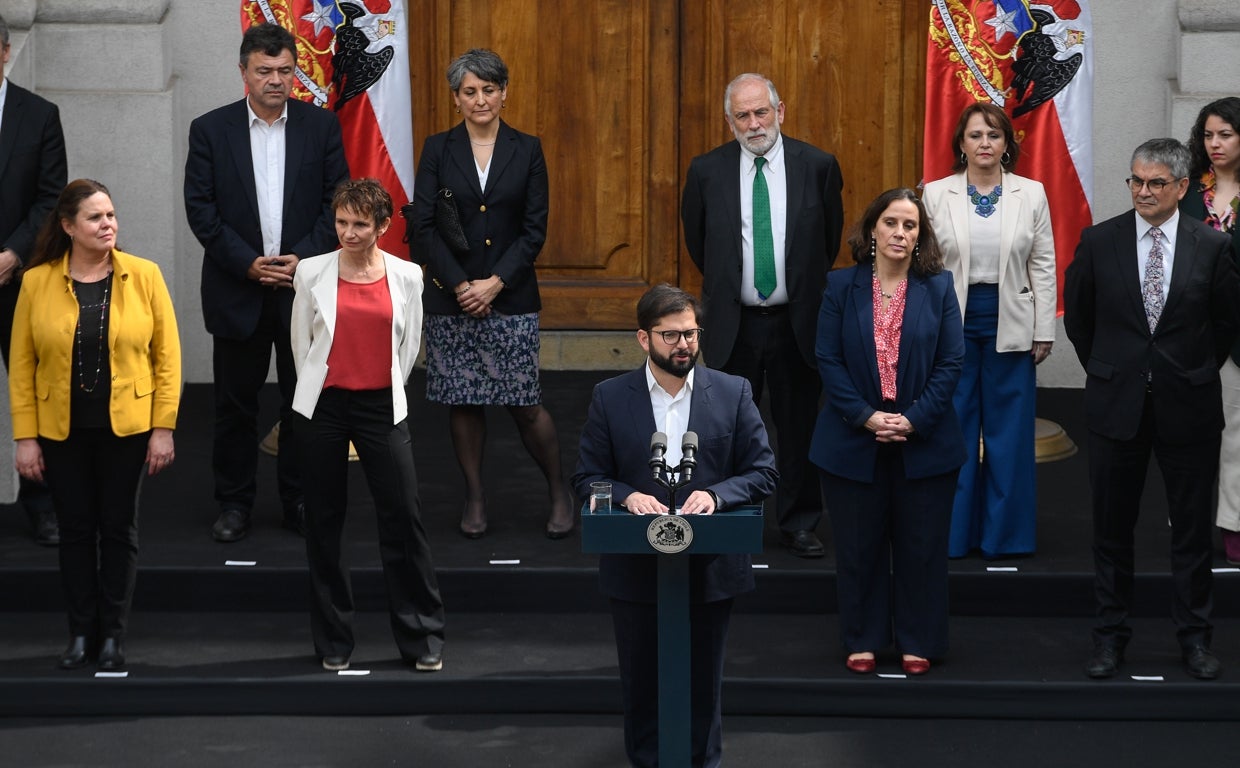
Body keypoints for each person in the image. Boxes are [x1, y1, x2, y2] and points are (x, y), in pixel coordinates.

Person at [572, 284, 777, 768]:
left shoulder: (732, 391)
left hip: (708, 568)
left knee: (703, 684)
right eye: (671, 335)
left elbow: (763, 470)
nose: (684, 344)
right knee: (641, 682)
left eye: (690, 333)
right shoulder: (609, 397)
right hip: (635, 571)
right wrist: (627, 495)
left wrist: (716, 494)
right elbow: (588, 475)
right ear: (643, 339)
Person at [1065, 138, 1240, 681]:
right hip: (1116, 404)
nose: (1142, 191)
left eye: (1156, 183)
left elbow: (1226, 323)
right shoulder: (1099, 241)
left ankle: (1194, 639)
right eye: (1135, 181)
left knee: (1189, 533)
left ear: (1183, 187)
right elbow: (1080, 320)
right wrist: (1113, 367)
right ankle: (1110, 639)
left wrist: (1187, 370)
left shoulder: (1210, 247)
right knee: (1111, 531)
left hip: (1187, 404)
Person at [185, 22, 349, 543]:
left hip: (304, 290)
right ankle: (234, 504)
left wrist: (301, 260)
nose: (276, 80)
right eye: (265, 71)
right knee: (235, 405)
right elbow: (202, 210)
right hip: (239, 289)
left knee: (303, 403)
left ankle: (297, 499)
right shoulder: (210, 130)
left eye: (285, 70)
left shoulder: (321, 128)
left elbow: (337, 204)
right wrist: (248, 263)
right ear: (244, 73)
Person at [10, 179, 181, 670]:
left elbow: (167, 357)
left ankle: (113, 635)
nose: (108, 224)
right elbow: (22, 366)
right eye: (95, 218)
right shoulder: (37, 281)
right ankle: (80, 634)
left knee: (119, 530)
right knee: (76, 531)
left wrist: (163, 427)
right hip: (60, 432)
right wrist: (25, 438)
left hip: (127, 430)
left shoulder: (144, 275)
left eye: (111, 215)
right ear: (68, 227)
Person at [411, 48, 572, 540]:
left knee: (524, 402)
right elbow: (421, 226)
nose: (480, 99)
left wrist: (495, 282)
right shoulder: (438, 148)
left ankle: (558, 490)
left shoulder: (528, 149)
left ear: (504, 93)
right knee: (464, 403)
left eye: (489, 89)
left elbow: (533, 229)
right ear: (455, 98)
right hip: (452, 296)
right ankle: (475, 496)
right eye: (469, 91)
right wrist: (461, 285)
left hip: (511, 294)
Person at [681, 73, 844, 558]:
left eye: (762, 112)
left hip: (798, 320)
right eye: (743, 116)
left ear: (781, 111)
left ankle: (798, 522)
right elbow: (699, 241)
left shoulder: (817, 166)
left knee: (799, 427)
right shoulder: (706, 170)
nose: (754, 124)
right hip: (737, 323)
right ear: (728, 121)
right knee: (727, 428)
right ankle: (732, 515)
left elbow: (827, 242)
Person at [809, 188, 965, 676]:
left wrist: (915, 418)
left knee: (921, 547)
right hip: (853, 439)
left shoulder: (938, 287)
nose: (901, 233)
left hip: (926, 438)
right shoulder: (840, 286)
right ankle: (863, 638)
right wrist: (866, 416)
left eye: (911, 226)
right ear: (872, 229)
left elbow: (951, 361)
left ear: (921, 237)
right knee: (859, 546)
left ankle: (919, 639)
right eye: (892, 223)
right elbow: (828, 360)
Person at [291, 179, 445, 673]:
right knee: (323, 522)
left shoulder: (408, 275)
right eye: (341, 222)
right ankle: (333, 641)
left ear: (383, 226)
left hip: (382, 406)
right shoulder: (311, 272)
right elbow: (302, 345)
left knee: (404, 520)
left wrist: (384, 389)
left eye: (360, 224)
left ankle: (422, 638)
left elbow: (410, 345)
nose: (348, 232)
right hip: (324, 408)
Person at [922, 102, 1056, 559]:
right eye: (976, 134)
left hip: (1012, 320)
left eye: (994, 135)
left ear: (1007, 144)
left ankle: (1006, 538)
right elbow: (924, 267)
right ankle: (954, 538)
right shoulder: (936, 195)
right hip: (950, 323)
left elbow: (1042, 264)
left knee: (1009, 435)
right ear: (960, 143)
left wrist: (1044, 329)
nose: (985, 143)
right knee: (953, 431)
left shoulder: (1031, 193)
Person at [0, 12, 67, 546]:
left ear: (5, 53)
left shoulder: (40, 115)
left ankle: (42, 506)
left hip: (14, 280)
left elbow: (51, 198)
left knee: (34, 393)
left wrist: (13, 254)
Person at [1180, 98, 1240, 564]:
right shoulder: (1186, 193)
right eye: (1208, 135)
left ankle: (1234, 531)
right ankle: (1190, 524)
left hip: (1237, 337)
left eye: (1226, 134)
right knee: (1189, 435)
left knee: (1237, 436)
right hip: (1191, 334)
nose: (1214, 144)